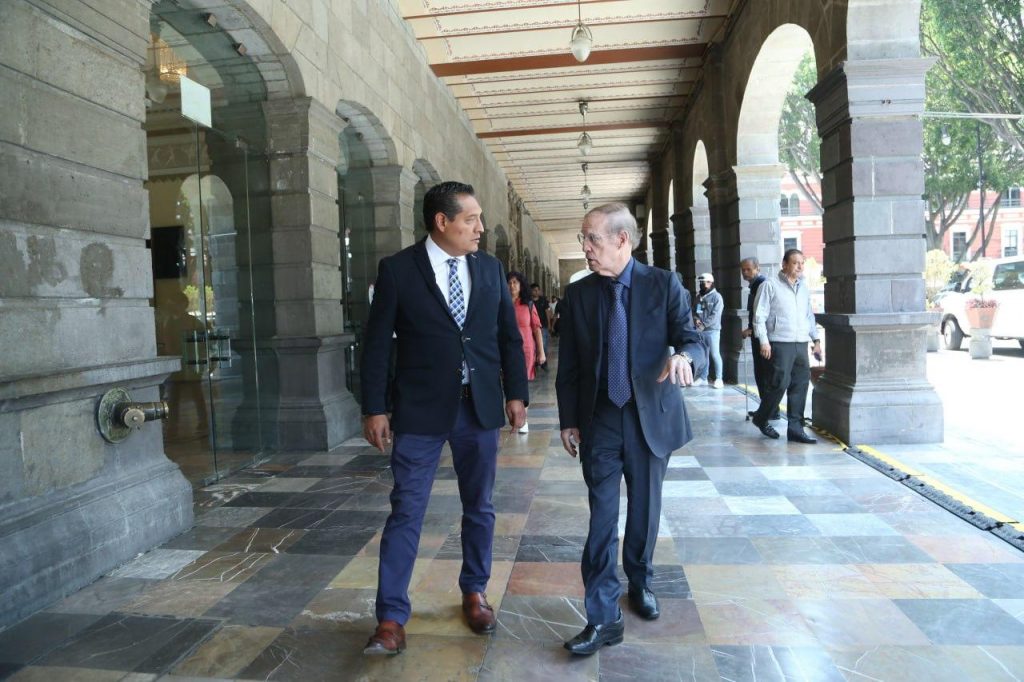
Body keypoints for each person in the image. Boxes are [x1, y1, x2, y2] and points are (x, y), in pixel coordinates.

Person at [360, 181, 529, 655]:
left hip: (479, 408)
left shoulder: (490, 269)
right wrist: (374, 406)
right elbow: (377, 345)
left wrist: (516, 393)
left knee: (480, 506)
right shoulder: (398, 270)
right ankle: (391, 618)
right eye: (471, 219)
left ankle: (475, 592)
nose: (480, 228)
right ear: (442, 222)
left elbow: (508, 337)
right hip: (419, 410)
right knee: (406, 511)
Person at [556, 203, 707, 656]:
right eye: (583, 239)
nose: (585, 247)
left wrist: (684, 357)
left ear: (622, 240)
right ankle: (603, 616)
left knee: (644, 510)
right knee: (601, 518)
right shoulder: (579, 295)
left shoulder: (663, 284)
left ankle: (640, 580)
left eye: (592, 238)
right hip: (600, 420)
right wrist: (568, 419)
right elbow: (570, 365)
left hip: (650, 419)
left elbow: (692, 339)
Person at [750, 248, 822, 444]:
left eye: (802, 263)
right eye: (795, 263)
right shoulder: (769, 285)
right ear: (784, 264)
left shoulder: (803, 287)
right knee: (779, 383)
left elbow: (808, 315)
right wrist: (764, 341)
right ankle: (761, 417)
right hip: (780, 342)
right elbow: (759, 316)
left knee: (801, 384)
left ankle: (796, 429)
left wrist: (816, 339)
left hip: (800, 342)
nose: (800, 267)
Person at [739, 257, 777, 420]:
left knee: (764, 374)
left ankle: (770, 411)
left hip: (762, 337)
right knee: (761, 374)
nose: (745, 272)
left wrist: (752, 329)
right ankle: (766, 409)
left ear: (757, 268)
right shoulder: (754, 285)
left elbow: (760, 313)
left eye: (749, 269)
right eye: (743, 270)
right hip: (757, 334)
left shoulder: (762, 284)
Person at [508, 271, 544, 433]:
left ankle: (523, 419)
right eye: (509, 282)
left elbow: (536, 329)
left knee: (522, 383)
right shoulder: (501, 303)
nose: (512, 285)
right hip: (506, 349)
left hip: (526, 349)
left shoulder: (528, 304)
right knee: (508, 381)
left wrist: (541, 352)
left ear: (521, 285)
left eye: (515, 282)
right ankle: (512, 413)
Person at [694, 272, 723, 388]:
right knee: (704, 355)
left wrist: (703, 325)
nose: (702, 284)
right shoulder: (699, 297)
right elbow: (697, 311)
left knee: (715, 354)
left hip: (712, 331)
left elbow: (715, 315)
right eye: (701, 282)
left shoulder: (717, 297)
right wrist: (696, 319)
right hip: (701, 331)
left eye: (704, 282)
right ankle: (703, 378)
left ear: (711, 283)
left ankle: (719, 378)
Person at [530, 283, 550, 371]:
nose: (536, 292)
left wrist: (549, 324)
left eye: (537, 290)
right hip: (531, 327)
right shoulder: (528, 301)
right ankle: (535, 362)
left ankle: (544, 363)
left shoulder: (543, 300)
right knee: (533, 345)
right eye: (534, 290)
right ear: (531, 291)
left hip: (543, 325)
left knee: (543, 344)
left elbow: (547, 312)